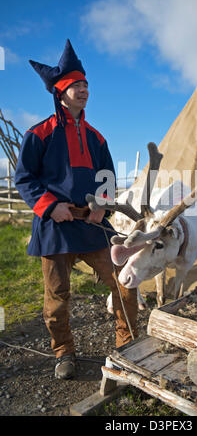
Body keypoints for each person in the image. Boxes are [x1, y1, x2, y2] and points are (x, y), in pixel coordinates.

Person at [15, 39, 138, 379]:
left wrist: (102, 206)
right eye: (76, 85)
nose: (84, 90)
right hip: (55, 226)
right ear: (60, 91)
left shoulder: (98, 138)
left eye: (86, 84)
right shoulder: (38, 133)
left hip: (92, 225)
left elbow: (108, 180)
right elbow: (24, 178)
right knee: (57, 297)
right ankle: (64, 353)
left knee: (125, 278)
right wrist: (51, 207)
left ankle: (126, 345)